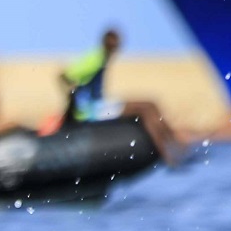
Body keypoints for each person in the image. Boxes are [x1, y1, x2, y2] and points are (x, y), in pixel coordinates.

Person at [58, 27, 182, 162]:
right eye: (116, 43)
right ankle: (168, 156)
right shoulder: (96, 59)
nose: (117, 47)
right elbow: (64, 76)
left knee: (150, 104)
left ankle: (176, 144)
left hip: (97, 106)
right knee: (144, 109)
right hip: (91, 111)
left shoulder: (101, 57)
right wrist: (73, 101)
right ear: (109, 43)